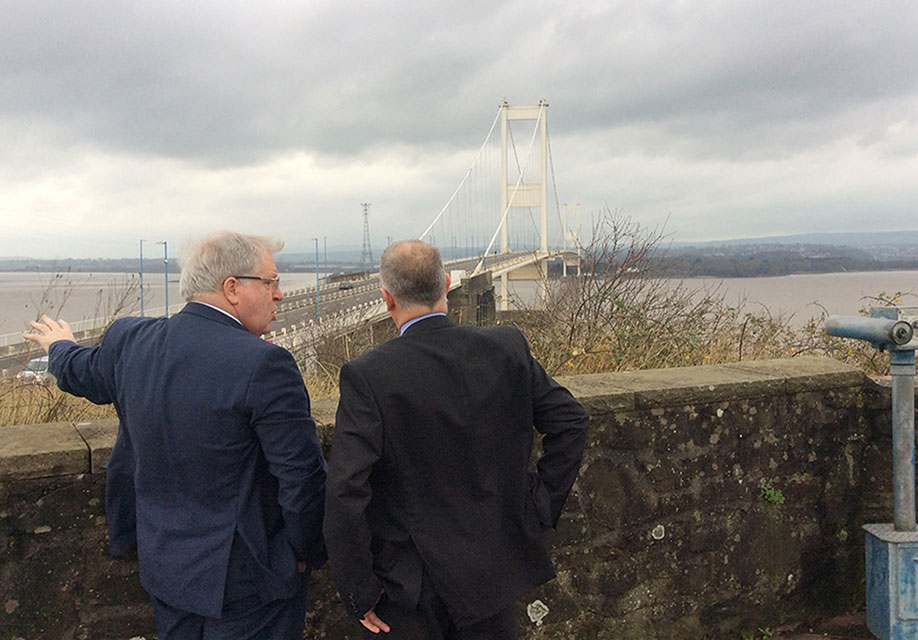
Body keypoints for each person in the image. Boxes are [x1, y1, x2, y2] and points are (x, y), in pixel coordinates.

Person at [22, 231, 327, 640]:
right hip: (248, 583)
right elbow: (302, 479)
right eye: (271, 282)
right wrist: (305, 555)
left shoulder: (130, 341)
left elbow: (83, 373)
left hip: (166, 569)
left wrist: (59, 348)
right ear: (232, 288)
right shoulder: (265, 364)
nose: (280, 295)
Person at [324, 240, 589, 639]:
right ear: (446, 284)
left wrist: (359, 589)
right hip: (493, 573)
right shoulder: (505, 347)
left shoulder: (368, 375)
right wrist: (536, 507)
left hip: (409, 585)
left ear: (386, 298)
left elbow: (346, 489)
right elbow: (571, 421)